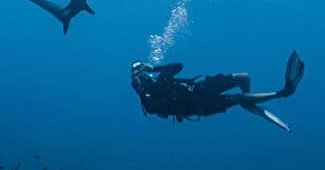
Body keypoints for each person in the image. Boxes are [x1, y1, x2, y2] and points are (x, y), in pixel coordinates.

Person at [130, 50, 305, 132]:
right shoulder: (148, 98)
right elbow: (152, 108)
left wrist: (153, 67)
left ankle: (248, 103)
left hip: (200, 87)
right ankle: (284, 92)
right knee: (241, 97)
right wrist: (139, 87)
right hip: (198, 106)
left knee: (243, 77)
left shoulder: (160, 78)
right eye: (139, 74)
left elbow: (178, 66)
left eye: (142, 72)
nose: (143, 76)